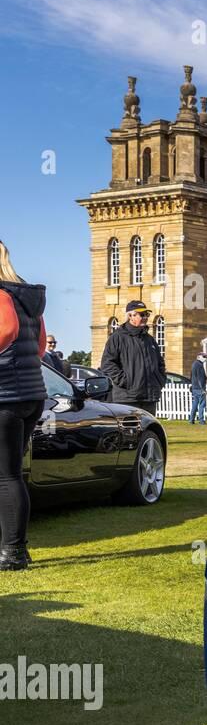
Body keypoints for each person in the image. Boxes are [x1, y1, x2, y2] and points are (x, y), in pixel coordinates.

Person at [0, 241, 47, 572]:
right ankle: (13, 547)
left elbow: (6, 332)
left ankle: (14, 552)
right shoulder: (26, 299)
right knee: (10, 474)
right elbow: (41, 347)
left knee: (6, 476)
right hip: (31, 395)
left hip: (6, 398)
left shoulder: (2, 297)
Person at [99, 299, 166, 413]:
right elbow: (107, 364)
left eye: (147, 314)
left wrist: (160, 380)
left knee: (149, 430)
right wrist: (126, 382)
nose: (145, 317)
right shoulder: (118, 337)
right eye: (142, 314)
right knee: (129, 430)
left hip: (149, 398)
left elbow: (160, 363)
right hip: (127, 398)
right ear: (130, 316)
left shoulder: (150, 340)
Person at [189, 351, 207, 425]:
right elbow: (199, 378)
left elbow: (192, 376)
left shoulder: (194, 364)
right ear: (199, 357)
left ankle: (191, 420)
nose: (205, 358)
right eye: (204, 357)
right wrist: (203, 389)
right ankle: (201, 420)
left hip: (195, 388)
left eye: (206, 357)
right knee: (202, 405)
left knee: (195, 404)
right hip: (199, 388)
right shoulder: (199, 365)